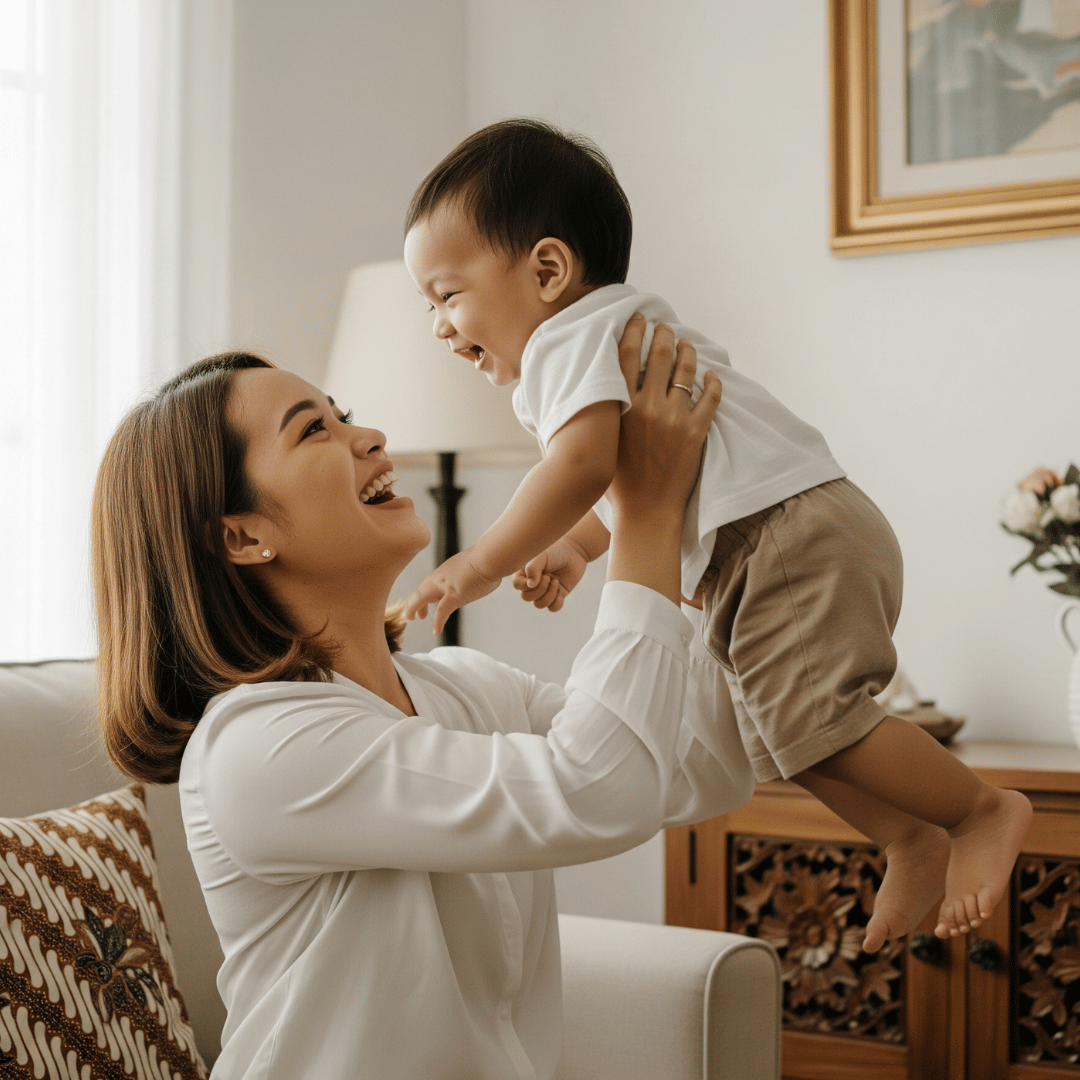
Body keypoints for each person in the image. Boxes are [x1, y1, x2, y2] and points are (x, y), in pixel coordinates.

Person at [402, 118, 1032, 954]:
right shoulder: (606, 334)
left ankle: (980, 810)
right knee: (784, 735)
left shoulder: (566, 341)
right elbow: (631, 480)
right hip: (780, 535)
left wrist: (481, 562)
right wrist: (576, 547)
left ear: (548, 269)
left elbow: (584, 465)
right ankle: (909, 835)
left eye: (448, 295)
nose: (440, 326)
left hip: (783, 537)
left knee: (814, 716)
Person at [91, 319, 753, 1078]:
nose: (369, 436)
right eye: (315, 431)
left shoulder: (465, 687)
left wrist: (696, 537)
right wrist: (646, 515)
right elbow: (596, 790)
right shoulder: (256, 746)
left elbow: (700, 765)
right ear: (241, 538)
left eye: (342, 413)